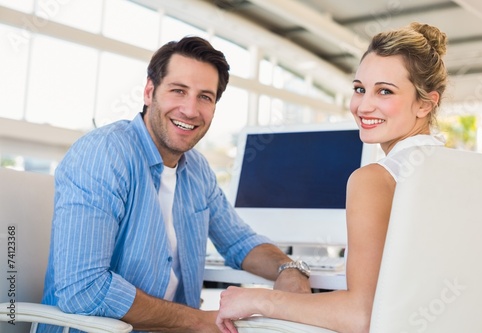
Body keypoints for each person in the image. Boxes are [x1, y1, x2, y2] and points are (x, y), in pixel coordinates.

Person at [40, 36, 311, 333]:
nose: (191, 110)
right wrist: (198, 321)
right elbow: (83, 288)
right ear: (149, 92)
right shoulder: (105, 154)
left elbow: (239, 242)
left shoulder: (196, 169)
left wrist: (289, 269)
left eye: (205, 97)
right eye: (178, 91)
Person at [216, 22, 448, 333]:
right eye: (359, 89)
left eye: (385, 91)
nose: (364, 106)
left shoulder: (375, 179)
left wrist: (257, 300)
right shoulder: (457, 168)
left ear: (425, 103)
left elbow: (361, 316)